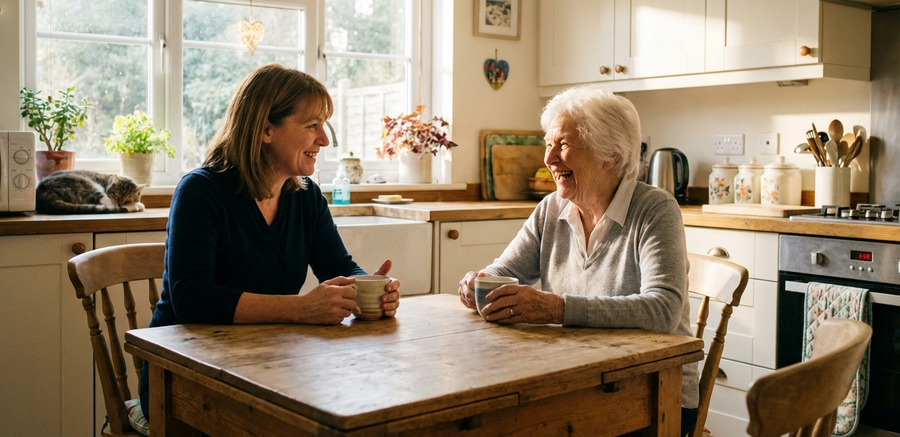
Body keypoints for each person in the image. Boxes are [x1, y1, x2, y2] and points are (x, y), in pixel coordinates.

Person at [138, 64, 401, 421]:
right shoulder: (201, 191)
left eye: (323, 127)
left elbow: (339, 268)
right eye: (312, 126)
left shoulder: (306, 196)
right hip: (182, 374)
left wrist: (371, 289)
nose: (323, 140)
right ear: (265, 129)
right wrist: (300, 309)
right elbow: (192, 299)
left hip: (267, 364)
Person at [458, 85, 699, 436]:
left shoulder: (654, 209)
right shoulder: (551, 209)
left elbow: (663, 310)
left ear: (610, 156)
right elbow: (504, 272)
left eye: (564, 145)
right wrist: (478, 283)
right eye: (549, 144)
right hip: (575, 380)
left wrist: (556, 309)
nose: (549, 158)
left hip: (652, 389)